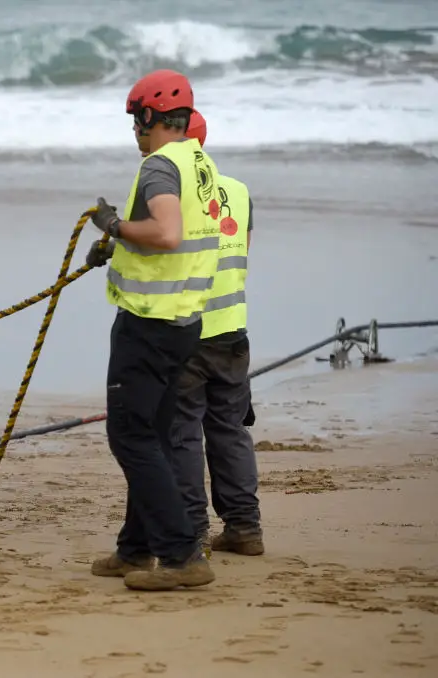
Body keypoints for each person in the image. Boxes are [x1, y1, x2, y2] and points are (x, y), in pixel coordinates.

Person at [84, 69, 223, 591]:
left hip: (150, 323)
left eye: (134, 120)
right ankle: (136, 550)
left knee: (131, 436)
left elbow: (167, 232)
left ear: (149, 116)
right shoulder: (199, 163)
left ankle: (182, 556)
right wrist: (120, 242)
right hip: (184, 321)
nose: (133, 131)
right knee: (155, 434)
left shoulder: (160, 166)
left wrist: (114, 225)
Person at [166, 111, 264, 556]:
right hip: (232, 332)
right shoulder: (239, 192)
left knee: (182, 434)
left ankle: (191, 532)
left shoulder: (169, 196)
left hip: (187, 332)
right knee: (230, 431)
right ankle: (244, 528)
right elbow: (241, 251)